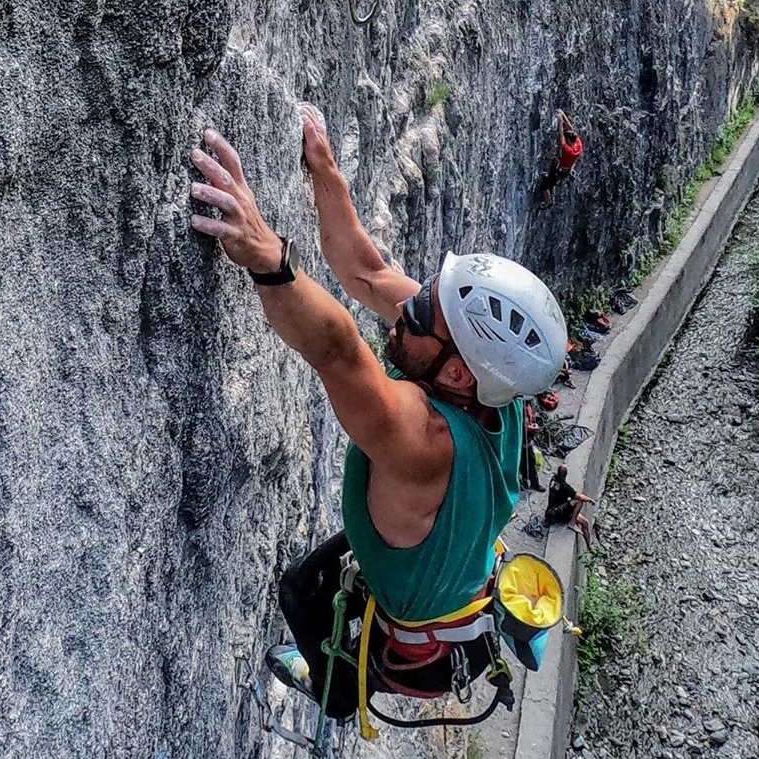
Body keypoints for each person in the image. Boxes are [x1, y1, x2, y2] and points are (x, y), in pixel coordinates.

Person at [188, 106, 568, 719]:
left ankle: (339, 693)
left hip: (422, 619)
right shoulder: (489, 382)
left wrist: (267, 256)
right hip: (450, 564)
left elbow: (339, 351)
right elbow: (365, 271)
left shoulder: (424, 439)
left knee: (298, 588)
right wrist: (324, 168)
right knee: (330, 570)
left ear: (453, 373)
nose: (411, 309)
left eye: (426, 317)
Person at [538, 109, 583, 207]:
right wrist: (563, 115)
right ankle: (551, 190)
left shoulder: (568, 151)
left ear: (569, 141)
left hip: (560, 171)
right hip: (566, 169)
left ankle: (548, 201)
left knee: (545, 186)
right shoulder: (578, 144)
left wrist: (560, 120)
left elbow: (561, 135)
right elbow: (570, 129)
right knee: (552, 181)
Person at [544, 464, 595, 551]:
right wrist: (590, 500)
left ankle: (589, 547)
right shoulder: (564, 487)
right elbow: (579, 497)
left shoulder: (553, 479)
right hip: (557, 513)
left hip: (550, 511)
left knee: (585, 522)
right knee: (579, 502)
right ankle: (572, 523)